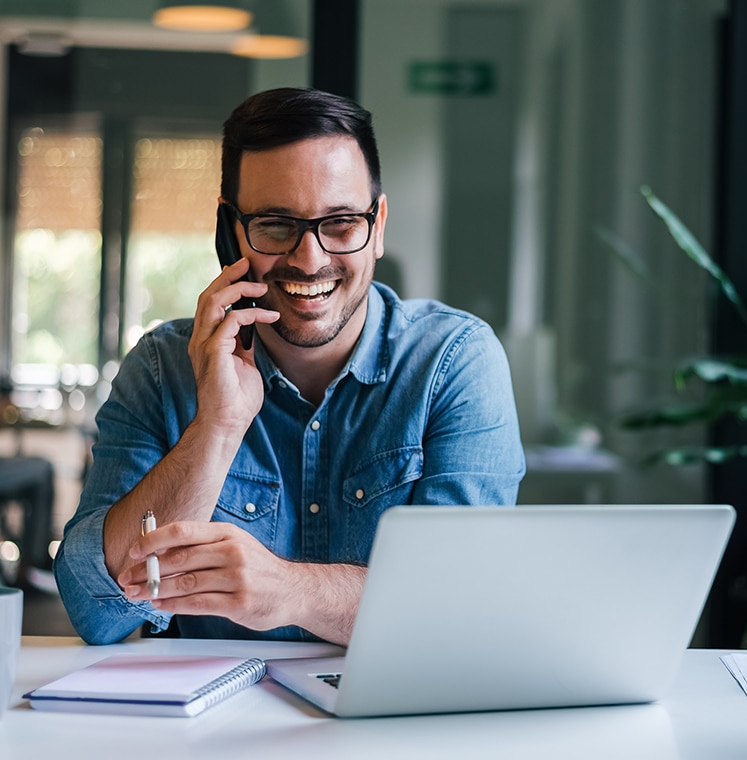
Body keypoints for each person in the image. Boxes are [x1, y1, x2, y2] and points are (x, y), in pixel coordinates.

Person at [54, 87, 526, 645]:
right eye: (276, 225)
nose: (309, 258)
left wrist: (288, 590)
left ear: (378, 225)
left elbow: (462, 607)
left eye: (341, 223)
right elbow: (96, 611)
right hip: (209, 727)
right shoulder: (162, 368)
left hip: (392, 724)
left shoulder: (454, 362)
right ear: (232, 232)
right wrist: (217, 428)